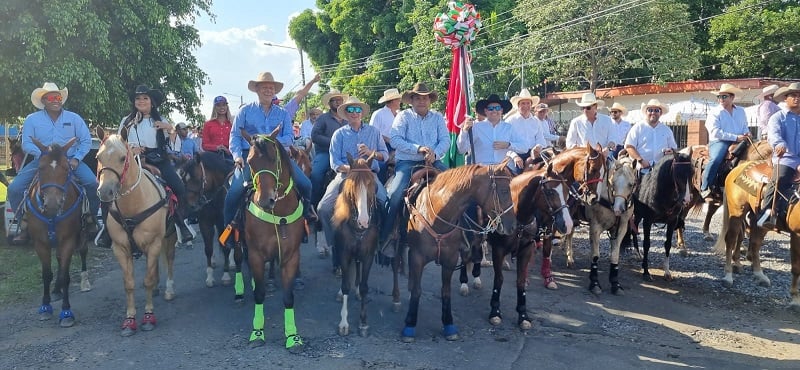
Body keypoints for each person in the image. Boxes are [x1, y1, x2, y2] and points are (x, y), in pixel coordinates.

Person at [95, 84, 196, 249]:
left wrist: (170, 129)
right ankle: (107, 230)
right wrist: (131, 149)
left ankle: (180, 224)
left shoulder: (161, 121)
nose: (141, 101)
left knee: (178, 186)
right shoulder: (126, 121)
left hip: (157, 159)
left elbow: (176, 147)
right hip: (133, 161)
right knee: (109, 186)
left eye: (145, 98)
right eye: (138, 98)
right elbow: (118, 143)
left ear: (152, 102)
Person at [223, 72, 317, 232]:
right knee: (234, 192)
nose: (268, 90)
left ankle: (304, 218)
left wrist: (269, 143)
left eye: (271, 88)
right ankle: (229, 231)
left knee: (306, 184)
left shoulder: (283, 113)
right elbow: (235, 135)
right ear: (257, 89)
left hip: (277, 156)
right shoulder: (245, 111)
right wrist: (237, 156)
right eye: (264, 87)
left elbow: (288, 136)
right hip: (251, 157)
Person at [8, 82, 100, 244]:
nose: (55, 100)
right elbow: (26, 144)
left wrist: (76, 159)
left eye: (58, 97)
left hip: (70, 161)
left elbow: (85, 141)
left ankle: (90, 219)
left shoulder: (74, 118)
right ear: (43, 101)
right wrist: (43, 154)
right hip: (42, 161)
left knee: (93, 183)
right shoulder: (31, 120)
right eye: (50, 97)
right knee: (14, 188)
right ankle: (26, 225)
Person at [317, 97, 388, 268]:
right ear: (346, 114)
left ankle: (382, 242)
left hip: (369, 175)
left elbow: (384, 155)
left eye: (357, 110)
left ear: (362, 113)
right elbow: (335, 163)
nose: (354, 113)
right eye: (351, 110)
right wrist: (353, 168)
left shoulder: (374, 132)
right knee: (323, 208)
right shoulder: (338, 134)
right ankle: (334, 243)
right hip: (346, 176)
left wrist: (371, 152)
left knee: (386, 203)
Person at [380, 82, 450, 246]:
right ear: (411, 100)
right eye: (417, 98)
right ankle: (386, 235)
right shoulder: (403, 116)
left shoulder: (437, 117)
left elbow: (445, 140)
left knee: (455, 187)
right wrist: (417, 148)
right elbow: (395, 139)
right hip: (407, 162)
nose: (421, 101)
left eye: (425, 98)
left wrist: (435, 153)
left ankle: (463, 236)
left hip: (434, 161)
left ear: (429, 100)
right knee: (395, 194)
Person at [757, 83, 800, 229]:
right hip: (786, 157)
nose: (797, 98)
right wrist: (779, 144)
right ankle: (767, 213)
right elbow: (774, 135)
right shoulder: (778, 117)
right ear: (785, 98)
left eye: (799, 95)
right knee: (779, 178)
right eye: (793, 95)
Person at [700, 83, 750, 199]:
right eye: (719, 97)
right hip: (720, 141)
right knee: (716, 159)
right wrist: (736, 137)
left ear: (732, 97)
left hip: (739, 140)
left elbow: (744, 126)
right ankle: (705, 187)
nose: (721, 99)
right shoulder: (714, 112)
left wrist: (747, 133)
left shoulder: (741, 111)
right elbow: (715, 132)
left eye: (724, 96)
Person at [461, 94, 526, 166]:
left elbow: (524, 147)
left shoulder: (509, 128)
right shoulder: (476, 127)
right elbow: (461, 149)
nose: (494, 110)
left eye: (497, 108)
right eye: (491, 108)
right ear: (485, 111)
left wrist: (508, 145)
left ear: (501, 110)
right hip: (481, 169)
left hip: (502, 169)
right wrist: (464, 131)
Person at [310, 89, 349, 206]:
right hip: (325, 153)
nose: (338, 102)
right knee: (316, 175)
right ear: (329, 103)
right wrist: (333, 142)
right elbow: (314, 136)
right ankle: (313, 206)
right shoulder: (323, 118)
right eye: (334, 100)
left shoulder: (348, 118)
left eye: (339, 100)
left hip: (346, 154)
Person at [624, 99, 678, 171]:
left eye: (656, 110)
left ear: (660, 113)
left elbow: (674, 149)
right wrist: (641, 160)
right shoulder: (637, 128)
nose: (653, 112)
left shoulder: (667, 130)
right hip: (641, 169)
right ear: (646, 112)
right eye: (650, 110)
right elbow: (629, 147)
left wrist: (671, 151)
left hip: (662, 169)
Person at [504, 88, 545, 172]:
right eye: (523, 103)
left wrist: (538, 147)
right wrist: (515, 156)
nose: (526, 106)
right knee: (515, 177)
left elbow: (541, 139)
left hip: (532, 154)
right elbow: (505, 143)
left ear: (531, 105)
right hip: (515, 155)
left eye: (528, 103)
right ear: (518, 105)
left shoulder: (536, 121)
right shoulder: (510, 121)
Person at [369, 88, 402, 183]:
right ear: (392, 101)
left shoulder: (400, 115)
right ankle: (380, 190)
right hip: (382, 146)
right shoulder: (378, 114)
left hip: (399, 146)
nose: (400, 101)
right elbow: (373, 132)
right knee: (380, 166)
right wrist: (388, 140)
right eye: (398, 99)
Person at [202, 96, 233, 161]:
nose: (221, 107)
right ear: (215, 107)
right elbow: (204, 144)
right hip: (212, 155)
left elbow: (236, 142)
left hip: (230, 156)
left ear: (227, 107)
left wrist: (227, 150)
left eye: (224, 105)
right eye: (218, 105)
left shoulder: (232, 124)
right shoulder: (208, 124)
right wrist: (216, 147)